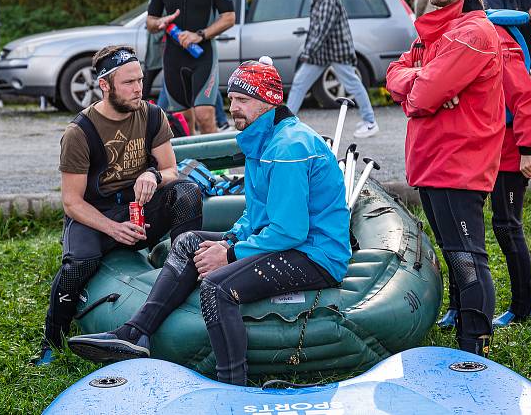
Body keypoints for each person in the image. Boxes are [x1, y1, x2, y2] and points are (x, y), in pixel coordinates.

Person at [67, 58, 351, 386]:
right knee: (190, 243)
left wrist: (228, 255)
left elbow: (290, 230)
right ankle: (136, 333)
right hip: (289, 243)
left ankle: (233, 386)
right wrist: (229, 238)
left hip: (315, 256)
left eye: (243, 100)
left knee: (217, 287)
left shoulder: (289, 148)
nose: (233, 108)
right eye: (231, 99)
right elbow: (257, 215)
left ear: (267, 102)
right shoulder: (262, 141)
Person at [32, 45, 203, 366]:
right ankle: (51, 337)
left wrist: (152, 174)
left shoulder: (152, 114)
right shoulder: (79, 132)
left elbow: (171, 170)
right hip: (96, 215)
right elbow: (71, 202)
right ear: (105, 85)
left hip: (140, 210)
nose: (138, 88)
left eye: (140, 79)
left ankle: (185, 272)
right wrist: (113, 228)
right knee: (78, 265)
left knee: (187, 191)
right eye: (128, 82)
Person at [386, 0, 504, 356]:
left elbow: (419, 100)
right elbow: (395, 75)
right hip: (432, 162)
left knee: (467, 257)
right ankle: (458, 318)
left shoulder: (471, 34)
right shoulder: (437, 33)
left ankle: (475, 345)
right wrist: (421, 81)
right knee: (453, 253)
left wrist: (422, 89)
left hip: (458, 164)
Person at [437, 10, 531, 330]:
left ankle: (523, 308)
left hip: (509, 148)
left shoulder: (494, 36)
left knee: (506, 225)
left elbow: (527, 97)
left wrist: (527, 150)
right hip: (477, 144)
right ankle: (458, 305)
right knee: (459, 230)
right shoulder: (452, 31)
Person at [146, 0, 236, 134]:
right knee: (184, 122)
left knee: (205, 115)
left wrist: (200, 35)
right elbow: (150, 22)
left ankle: (215, 166)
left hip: (203, 54)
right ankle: (193, 166)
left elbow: (229, 17)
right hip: (173, 56)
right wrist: (160, 22)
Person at [286, 0, 378, 138]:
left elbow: (322, 27)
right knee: (299, 84)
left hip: (335, 50)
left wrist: (308, 51)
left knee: (352, 83)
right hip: (323, 52)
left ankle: (370, 122)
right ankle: (286, 123)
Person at [139, 0, 165, 101]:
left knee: (147, 81)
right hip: (157, 41)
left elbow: (162, 13)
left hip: (160, 42)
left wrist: (159, 33)